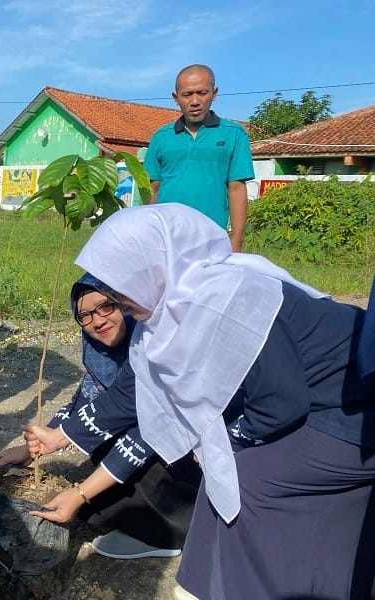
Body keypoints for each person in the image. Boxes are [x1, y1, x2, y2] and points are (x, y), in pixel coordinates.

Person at [30, 203, 375, 600]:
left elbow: (280, 404)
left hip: (350, 409)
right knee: (218, 469)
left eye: (120, 281)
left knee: (244, 477)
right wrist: (59, 435)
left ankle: (262, 584)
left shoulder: (226, 298)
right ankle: (203, 586)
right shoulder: (164, 312)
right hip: (306, 402)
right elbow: (135, 393)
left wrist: (226, 440)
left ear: (157, 264)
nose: (114, 296)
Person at [0, 274, 200, 559]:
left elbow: (147, 430)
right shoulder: (101, 355)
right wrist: (34, 448)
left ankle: (168, 533)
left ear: (126, 304)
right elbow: (84, 403)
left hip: (188, 459)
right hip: (151, 440)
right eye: (85, 315)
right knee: (99, 451)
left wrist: (80, 494)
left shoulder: (153, 349)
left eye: (106, 306)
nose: (98, 320)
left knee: (119, 455)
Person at [144, 64, 253, 252]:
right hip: (165, 239)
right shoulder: (161, 137)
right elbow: (152, 191)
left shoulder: (234, 134)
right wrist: (147, 236)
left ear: (214, 93)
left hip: (211, 239)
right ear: (175, 98)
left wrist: (236, 242)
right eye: (187, 95)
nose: (195, 101)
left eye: (202, 93)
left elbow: (236, 189)